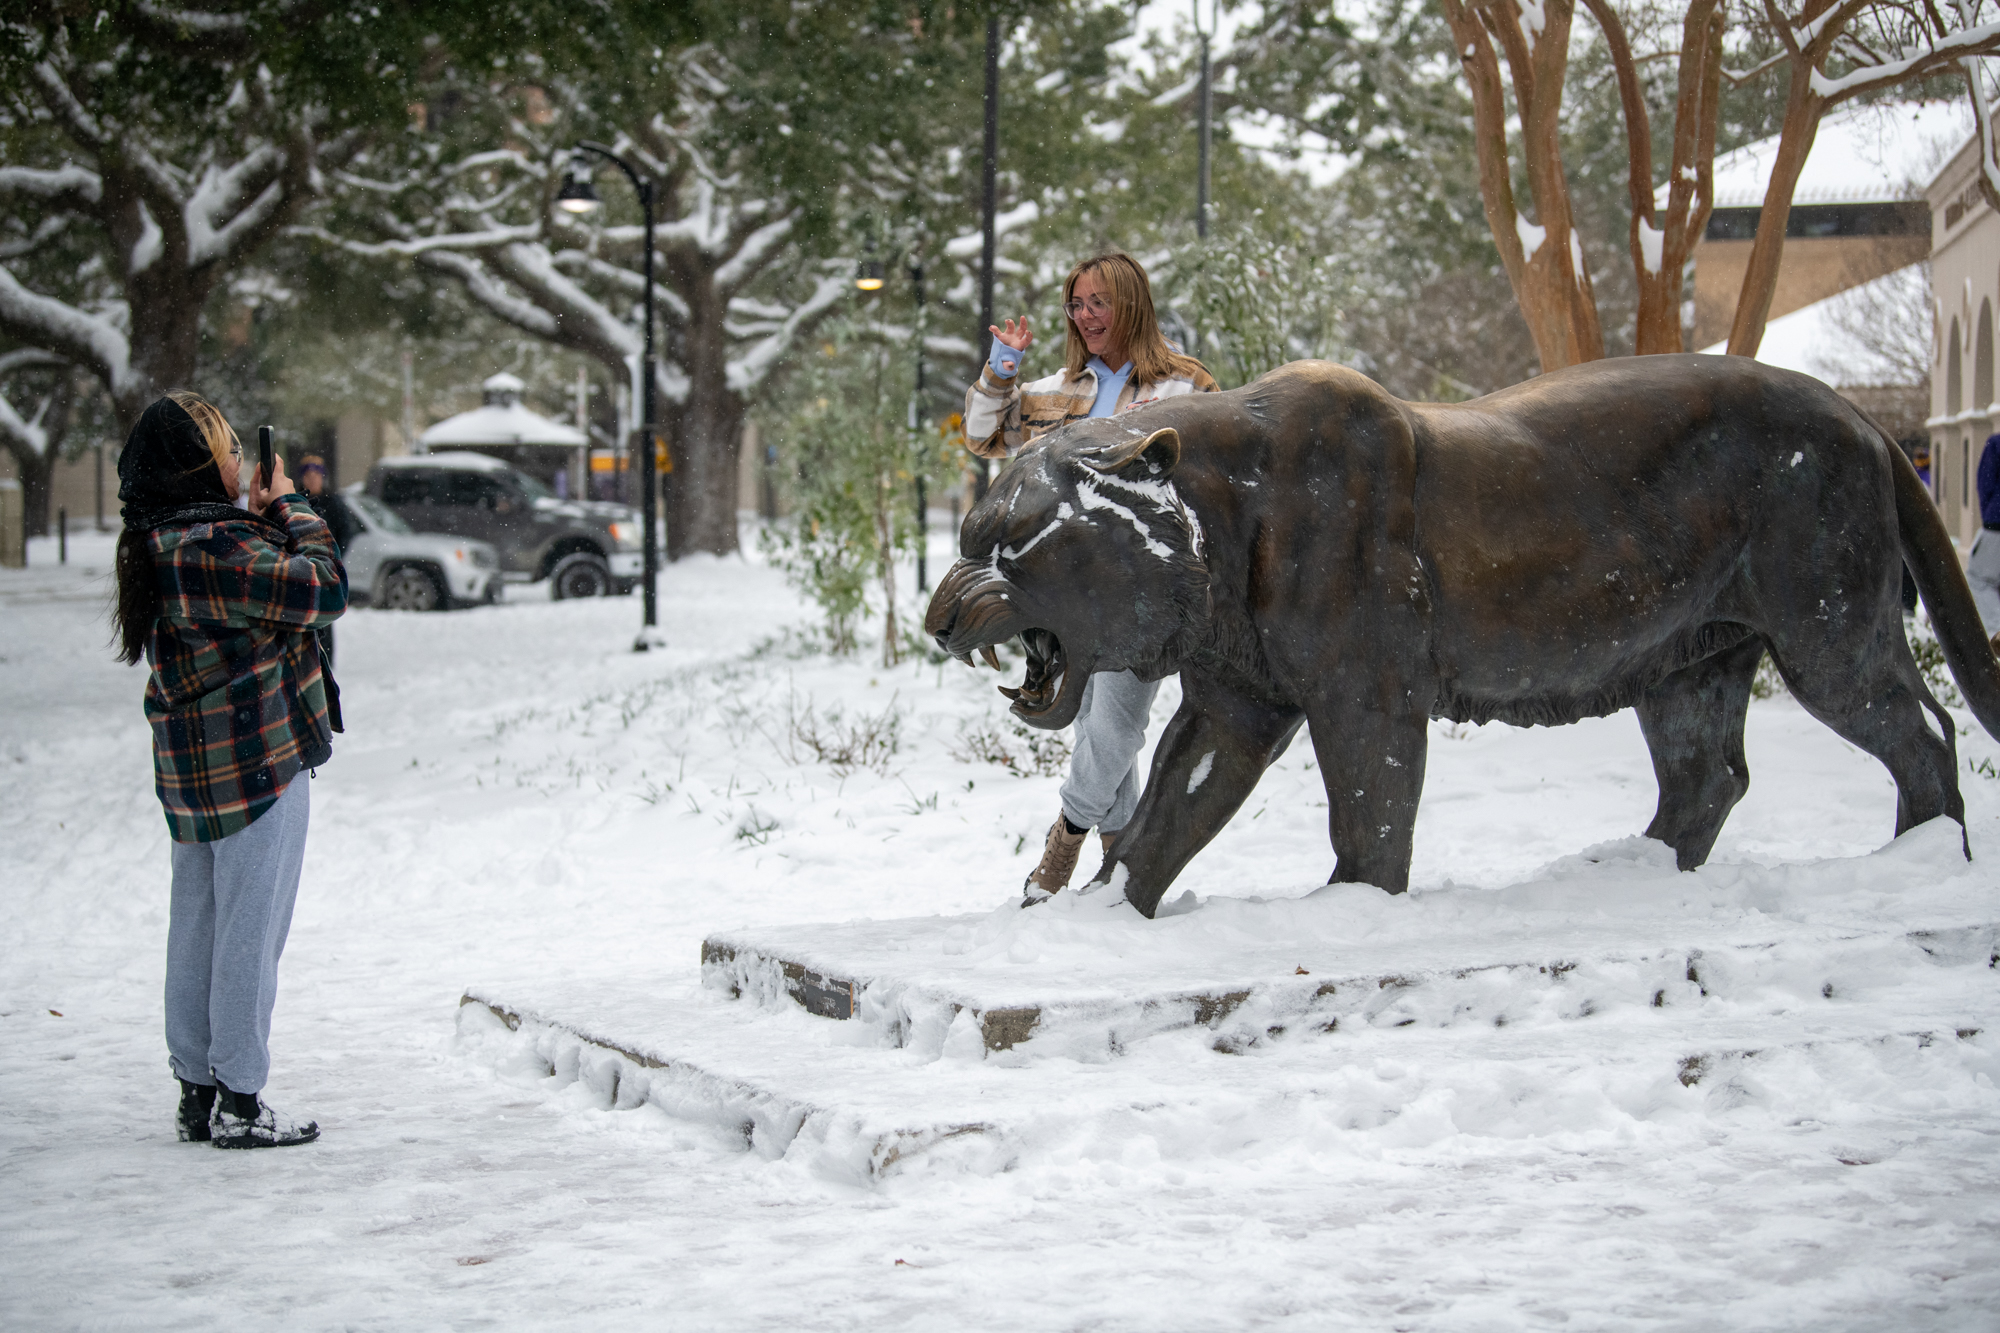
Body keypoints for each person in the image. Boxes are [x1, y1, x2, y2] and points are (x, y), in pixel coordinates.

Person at [112, 392, 347, 1148]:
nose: (241, 462)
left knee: (201, 924)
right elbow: (322, 589)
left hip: (194, 767)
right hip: (255, 761)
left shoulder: (160, 541)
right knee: (250, 930)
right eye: (227, 450)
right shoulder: (215, 546)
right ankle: (241, 1098)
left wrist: (261, 513)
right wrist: (292, 507)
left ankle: (197, 1087)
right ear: (199, 464)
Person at [964, 251, 1218, 899]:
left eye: (1098, 301)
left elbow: (1218, 485)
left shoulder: (1187, 390)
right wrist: (1004, 367)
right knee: (1098, 728)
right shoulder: (1054, 391)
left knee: (1115, 722)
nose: (1085, 315)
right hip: (1069, 595)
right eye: (1076, 304)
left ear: (1131, 303)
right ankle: (1121, 864)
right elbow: (983, 436)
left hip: (1146, 593)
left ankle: (1065, 842)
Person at [1969, 432, 2000, 636]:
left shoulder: (1996, 443)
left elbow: (1985, 483)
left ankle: (1996, 631)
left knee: (1980, 579)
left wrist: (1989, 514)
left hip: (1997, 525)